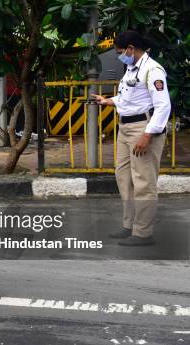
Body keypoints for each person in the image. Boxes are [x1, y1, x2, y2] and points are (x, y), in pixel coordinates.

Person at [92, 31, 171, 246]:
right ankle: (130, 225)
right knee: (124, 178)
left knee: (144, 181)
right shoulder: (131, 69)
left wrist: (148, 134)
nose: (120, 56)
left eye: (120, 52)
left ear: (130, 48)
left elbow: (163, 106)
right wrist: (109, 101)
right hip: (125, 128)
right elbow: (130, 97)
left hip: (143, 128)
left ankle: (143, 233)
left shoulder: (153, 70)